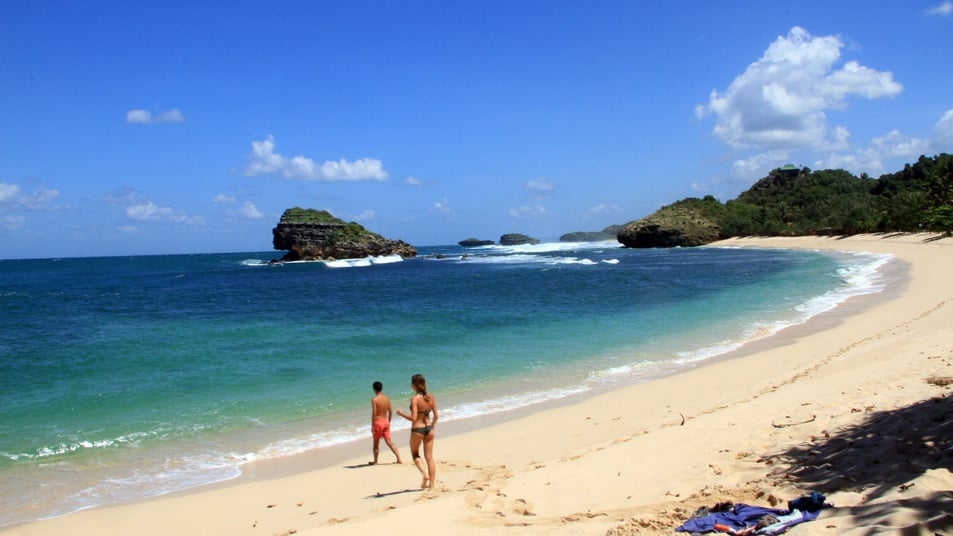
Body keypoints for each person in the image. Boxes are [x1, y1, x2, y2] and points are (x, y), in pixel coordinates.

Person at [396, 373, 438, 489]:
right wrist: (432, 426)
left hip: (417, 429)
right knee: (430, 458)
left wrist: (401, 414)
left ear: (414, 385)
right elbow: (436, 416)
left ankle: (425, 475)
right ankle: (432, 485)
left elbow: (414, 418)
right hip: (429, 428)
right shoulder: (431, 397)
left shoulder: (414, 399)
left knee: (415, 454)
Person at [370, 381, 402, 465]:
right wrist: (389, 422)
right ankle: (399, 458)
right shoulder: (386, 398)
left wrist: (372, 426)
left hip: (378, 423)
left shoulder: (374, 399)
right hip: (385, 422)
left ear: (374, 389)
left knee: (376, 444)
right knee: (389, 442)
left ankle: (376, 461)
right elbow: (390, 411)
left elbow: (374, 413)